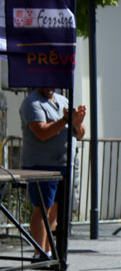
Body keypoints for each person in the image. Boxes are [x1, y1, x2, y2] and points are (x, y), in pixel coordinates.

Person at [19, 88, 86, 261]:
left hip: (63, 164)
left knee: (55, 209)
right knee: (42, 208)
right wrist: (65, 119)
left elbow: (80, 134)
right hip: (42, 165)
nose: (50, 86)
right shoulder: (32, 103)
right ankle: (39, 252)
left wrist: (77, 123)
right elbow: (41, 132)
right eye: (45, 82)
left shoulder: (63, 100)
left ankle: (48, 252)